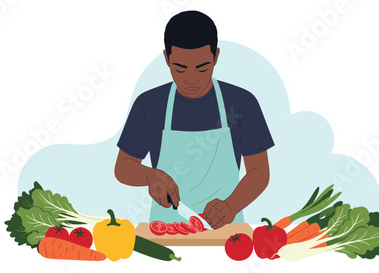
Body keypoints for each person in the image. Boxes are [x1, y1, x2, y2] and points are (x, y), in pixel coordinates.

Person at [115, 10, 274, 229]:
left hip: (227, 231)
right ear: (167, 58)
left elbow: (260, 172)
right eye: (180, 68)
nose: (191, 79)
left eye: (202, 68)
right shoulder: (148, 104)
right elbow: (123, 167)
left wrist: (231, 205)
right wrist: (149, 175)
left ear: (216, 56)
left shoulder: (242, 103)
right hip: (167, 229)